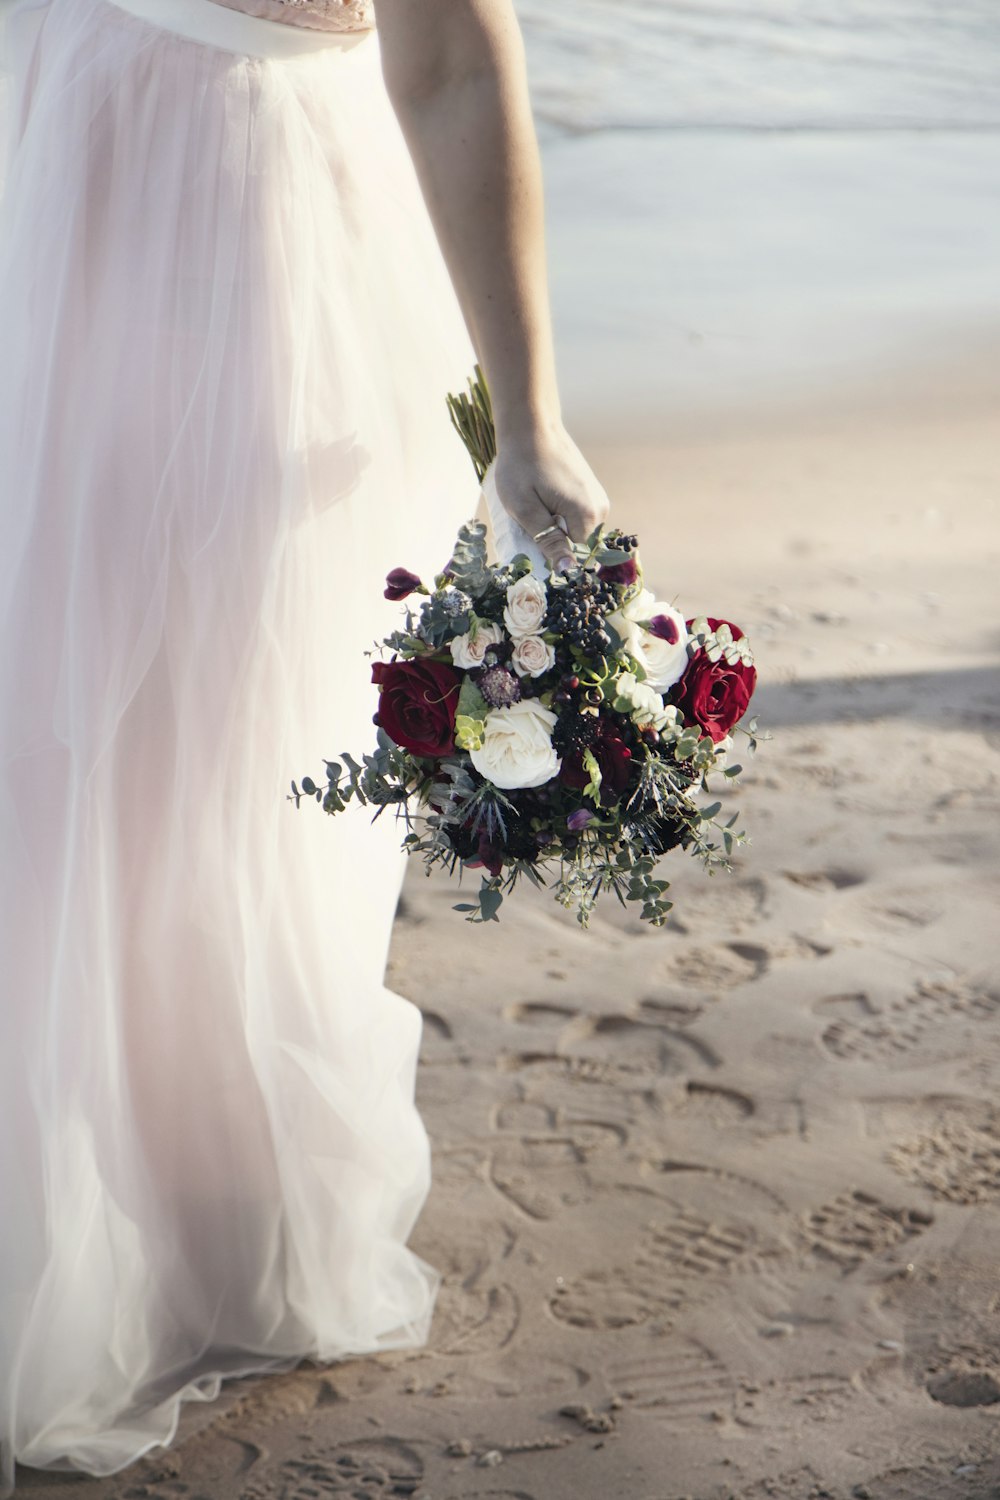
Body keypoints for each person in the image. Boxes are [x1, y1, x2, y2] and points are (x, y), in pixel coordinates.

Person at [0, 0, 609, 1488]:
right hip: (48, 153)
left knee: (225, 765)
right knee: (41, 734)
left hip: (253, 227)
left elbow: (457, 61)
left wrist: (529, 416)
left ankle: (188, 1228)